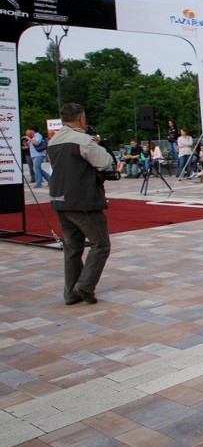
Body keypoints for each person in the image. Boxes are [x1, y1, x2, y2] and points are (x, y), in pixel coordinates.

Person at [47, 103, 115, 305]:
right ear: (82, 119)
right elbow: (105, 162)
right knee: (100, 244)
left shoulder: (54, 141)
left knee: (72, 248)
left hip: (60, 199)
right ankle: (85, 286)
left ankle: (70, 293)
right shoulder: (82, 140)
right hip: (83, 200)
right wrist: (97, 143)